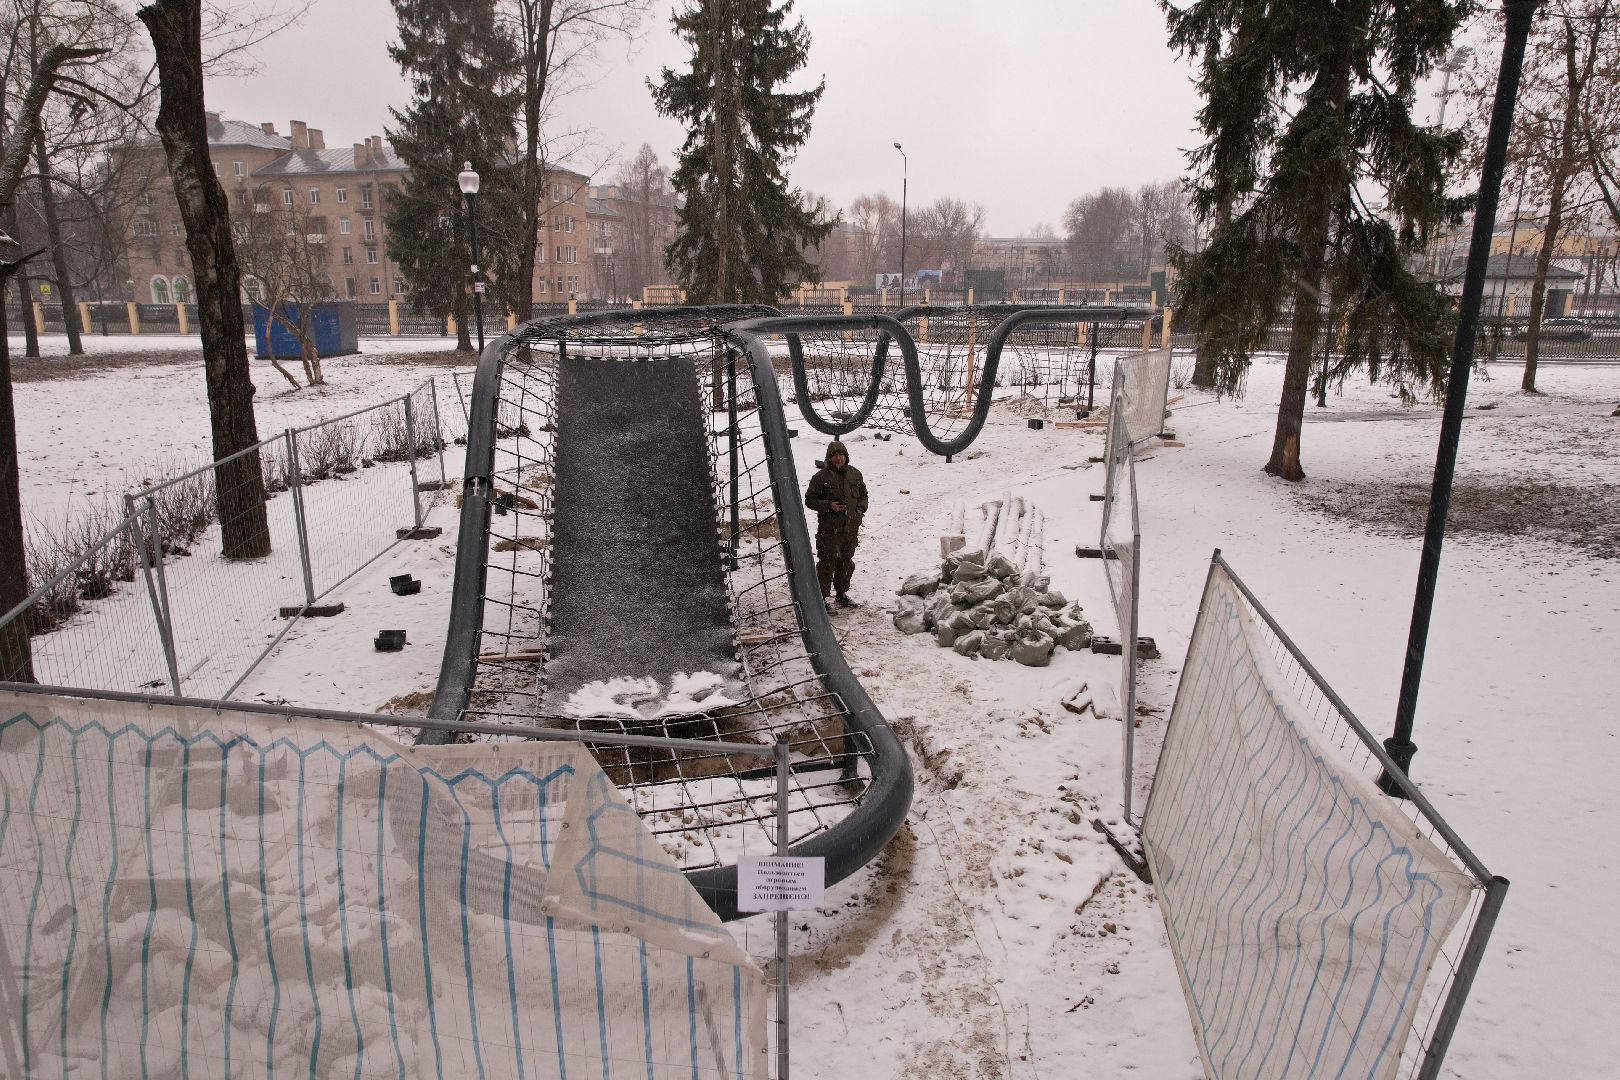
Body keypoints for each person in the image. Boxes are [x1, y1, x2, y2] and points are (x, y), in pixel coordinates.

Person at [804, 439, 869, 611]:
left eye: (841, 455)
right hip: (829, 531)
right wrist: (829, 506)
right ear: (829, 458)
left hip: (850, 529)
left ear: (846, 457)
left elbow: (863, 495)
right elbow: (810, 500)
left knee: (846, 563)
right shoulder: (820, 478)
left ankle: (841, 594)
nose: (839, 459)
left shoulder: (855, 474)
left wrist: (860, 511)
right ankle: (821, 599)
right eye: (835, 456)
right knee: (827, 564)